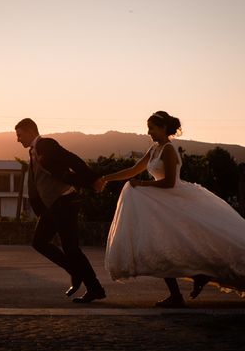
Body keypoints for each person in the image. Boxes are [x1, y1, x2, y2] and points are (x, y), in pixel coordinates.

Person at [101, 111, 245, 307]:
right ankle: (193, 281)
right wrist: (106, 178)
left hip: (174, 200)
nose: (148, 132)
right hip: (160, 203)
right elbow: (134, 170)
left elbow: (169, 182)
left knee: (178, 244)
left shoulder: (168, 149)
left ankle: (193, 281)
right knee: (164, 246)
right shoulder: (154, 149)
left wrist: (142, 186)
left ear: (162, 128)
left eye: (152, 128)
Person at [15, 118, 106, 303]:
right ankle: (76, 272)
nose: (17, 139)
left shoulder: (45, 144)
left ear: (31, 131)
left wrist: (92, 179)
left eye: (19, 135)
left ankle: (94, 287)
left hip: (65, 201)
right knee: (40, 242)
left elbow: (70, 158)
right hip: (53, 205)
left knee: (71, 248)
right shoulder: (34, 151)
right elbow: (36, 183)